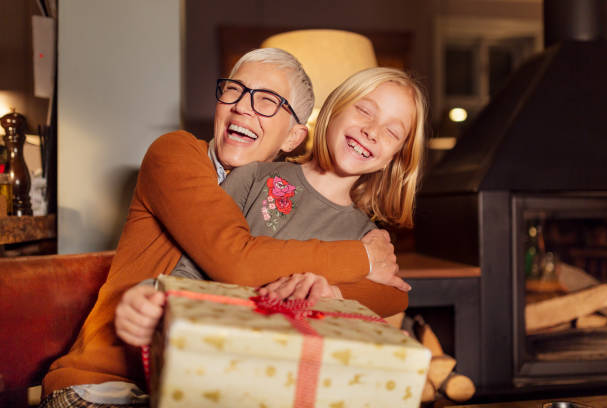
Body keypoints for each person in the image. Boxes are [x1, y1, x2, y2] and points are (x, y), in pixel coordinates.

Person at [40, 48, 406, 407]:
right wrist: (363, 258)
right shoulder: (177, 153)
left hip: (201, 386)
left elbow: (393, 295)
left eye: (266, 100)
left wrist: (335, 290)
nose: (243, 106)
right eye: (234, 90)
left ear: (294, 136)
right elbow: (236, 259)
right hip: (107, 384)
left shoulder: (285, 195)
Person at [115, 66, 426, 349]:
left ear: (395, 158)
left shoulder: (370, 240)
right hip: (208, 349)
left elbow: (394, 295)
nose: (372, 131)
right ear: (333, 111)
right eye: (364, 111)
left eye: (392, 132)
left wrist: (332, 292)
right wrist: (153, 300)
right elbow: (192, 270)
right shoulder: (253, 177)